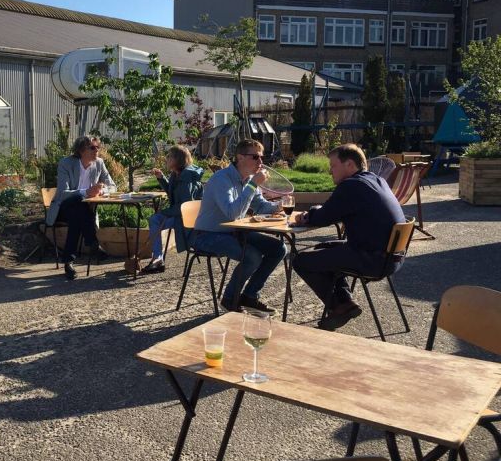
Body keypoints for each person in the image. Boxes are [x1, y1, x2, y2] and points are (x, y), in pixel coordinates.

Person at [292, 144, 405, 331]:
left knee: (300, 261)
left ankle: (339, 306)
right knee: (327, 248)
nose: (330, 170)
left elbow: (323, 217)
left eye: (333, 165)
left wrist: (306, 216)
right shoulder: (376, 181)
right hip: (391, 256)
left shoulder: (351, 186)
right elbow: (334, 210)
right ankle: (345, 303)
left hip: (373, 259)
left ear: (350, 165)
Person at [193, 139, 287, 313]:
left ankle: (249, 296)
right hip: (207, 235)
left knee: (279, 248)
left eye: (262, 157)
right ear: (240, 157)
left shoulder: (249, 179)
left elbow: (260, 205)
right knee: (252, 256)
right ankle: (230, 299)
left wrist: (279, 207)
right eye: (255, 157)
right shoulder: (221, 180)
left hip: (234, 232)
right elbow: (233, 214)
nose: (260, 162)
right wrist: (253, 185)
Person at [46, 136, 116, 280]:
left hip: (81, 212)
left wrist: (101, 191)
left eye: (98, 147)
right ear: (81, 150)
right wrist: (86, 192)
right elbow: (63, 193)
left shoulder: (99, 163)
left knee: (77, 214)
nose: (97, 150)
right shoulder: (66, 163)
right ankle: (92, 243)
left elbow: (113, 186)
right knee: (77, 201)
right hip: (62, 209)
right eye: (92, 147)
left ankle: (68, 261)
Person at [142, 145, 204, 274]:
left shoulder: (186, 179)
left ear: (178, 159)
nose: (167, 158)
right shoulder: (176, 174)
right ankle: (157, 257)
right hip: (178, 214)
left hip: (186, 219)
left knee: (156, 219)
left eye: (170, 156)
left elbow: (184, 206)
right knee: (155, 219)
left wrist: (164, 212)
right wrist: (161, 178)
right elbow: (173, 195)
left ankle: (157, 258)